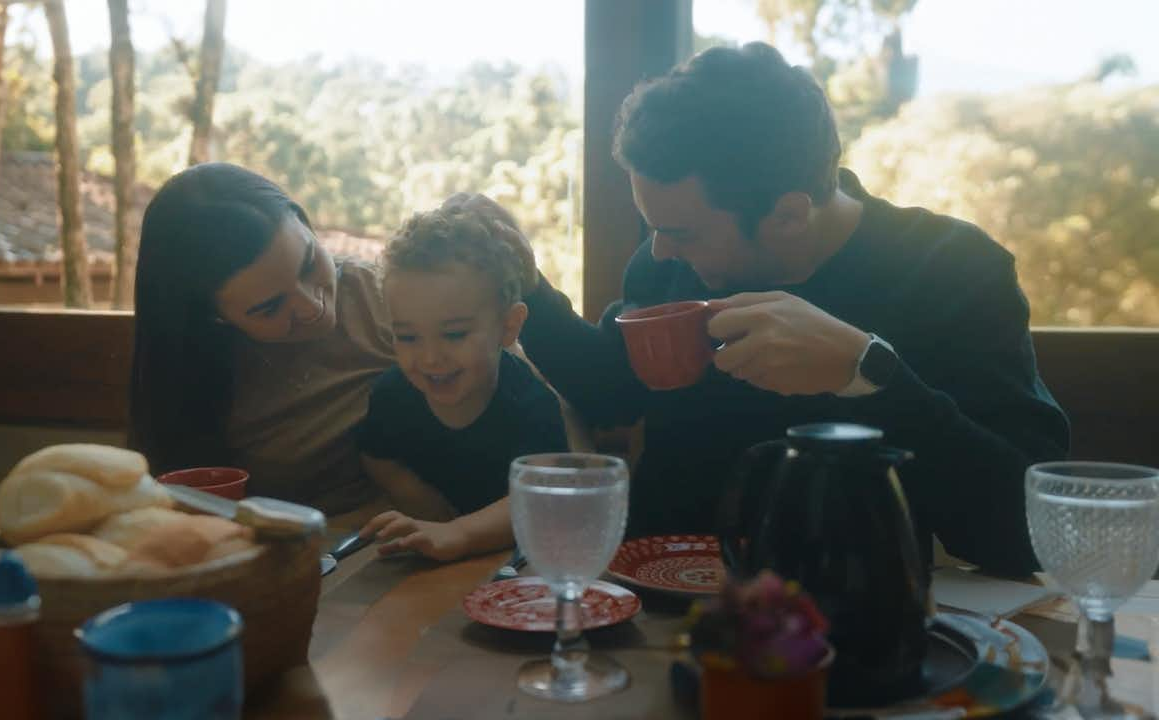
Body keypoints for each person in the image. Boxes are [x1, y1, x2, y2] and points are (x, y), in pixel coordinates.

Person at [451, 43, 1069, 576]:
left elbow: (1025, 537)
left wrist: (866, 372)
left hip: (840, 620)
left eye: (683, 232)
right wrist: (526, 281)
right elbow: (614, 389)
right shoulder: (668, 260)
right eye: (653, 225)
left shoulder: (950, 272)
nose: (660, 249)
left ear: (790, 214)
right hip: (654, 595)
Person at [128, 163, 394, 521]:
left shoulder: (387, 299)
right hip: (288, 553)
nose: (312, 307)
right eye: (270, 308)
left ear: (305, 223)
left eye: (309, 264)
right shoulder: (194, 378)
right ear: (215, 318)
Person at [354, 206, 569, 561]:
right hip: (434, 560)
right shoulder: (392, 395)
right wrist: (423, 504)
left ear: (509, 326)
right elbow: (377, 456)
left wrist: (458, 532)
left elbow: (541, 497)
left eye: (453, 334)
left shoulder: (530, 403)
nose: (429, 358)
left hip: (522, 560)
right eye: (407, 337)